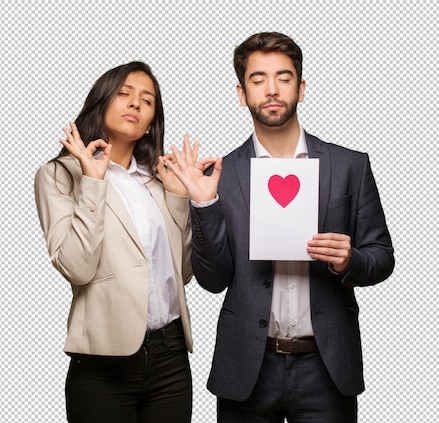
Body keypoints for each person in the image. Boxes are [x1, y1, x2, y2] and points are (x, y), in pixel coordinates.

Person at [165, 32, 395, 422]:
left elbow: (382, 257)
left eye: (284, 77)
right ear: (241, 93)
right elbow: (213, 280)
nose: (271, 89)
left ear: (301, 87)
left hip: (326, 366)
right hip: (248, 367)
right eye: (258, 79)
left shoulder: (349, 166)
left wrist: (349, 260)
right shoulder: (221, 173)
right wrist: (203, 202)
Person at [34, 62, 198, 423]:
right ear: (102, 101)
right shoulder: (60, 175)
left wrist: (179, 198)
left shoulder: (157, 180)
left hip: (170, 358)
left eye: (147, 100)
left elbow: (183, 274)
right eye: (124, 94)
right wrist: (94, 182)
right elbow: (77, 268)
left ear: (152, 119)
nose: (135, 104)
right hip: (103, 362)